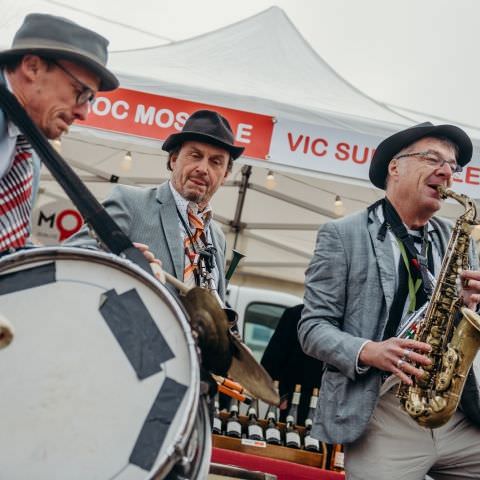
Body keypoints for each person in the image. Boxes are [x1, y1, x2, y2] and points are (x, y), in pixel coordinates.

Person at [298, 122, 480, 480]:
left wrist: (472, 302)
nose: (446, 172)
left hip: (456, 412)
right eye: (433, 159)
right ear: (394, 167)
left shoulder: (457, 238)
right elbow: (312, 327)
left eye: (453, 166)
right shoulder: (343, 234)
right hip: (383, 412)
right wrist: (370, 350)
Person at [67, 109, 244, 300]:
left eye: (215, 162)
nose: (202, 169)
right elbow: (73, 256)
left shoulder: (217, 237)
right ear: (174, 159)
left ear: (225, 175)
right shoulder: (130, 202)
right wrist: (121, 264)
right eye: (195, 155)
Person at [0, 13, 118, 253]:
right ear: (32, 67)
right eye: (81, 93)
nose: (84, 113)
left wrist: (105, 261)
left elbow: (9, 247)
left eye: (91, 100)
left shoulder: (29, 152)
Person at [261, 304, 323, 424]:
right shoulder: (296, 314)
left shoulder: (344, 321)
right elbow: (271, 361)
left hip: (328, 404)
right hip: (296, 400)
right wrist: (282, 395)